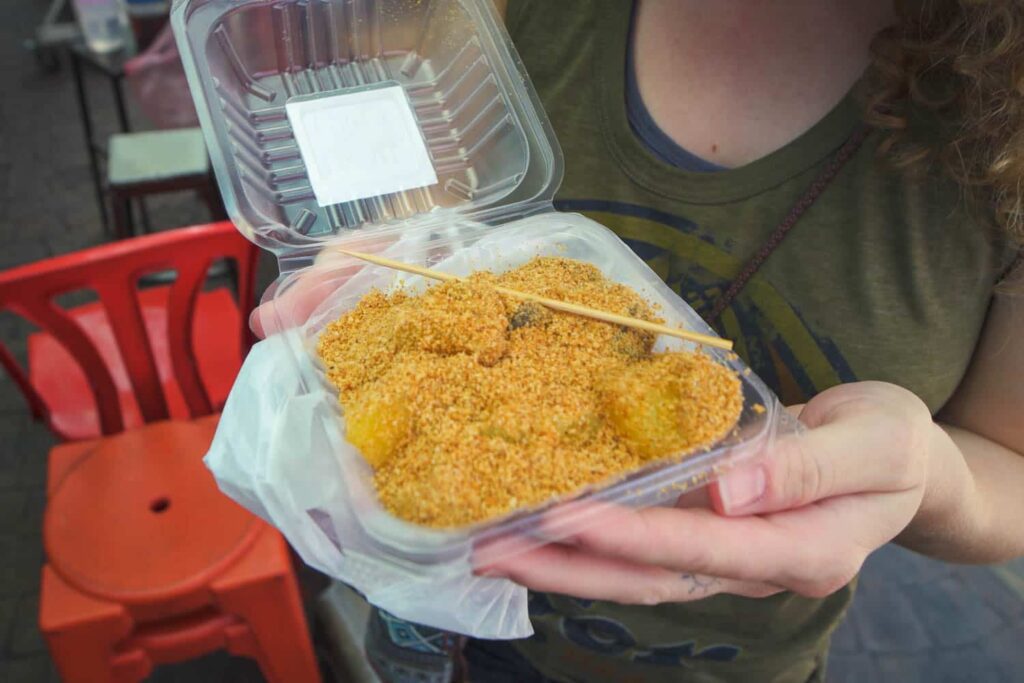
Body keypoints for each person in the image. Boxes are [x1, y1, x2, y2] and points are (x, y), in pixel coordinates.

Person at [256, 1, 1024, 681]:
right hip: (457, 630)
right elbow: (420, 195)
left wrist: (932, 476)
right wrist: (397, 227)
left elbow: (1010, 468)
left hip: (743, 664)